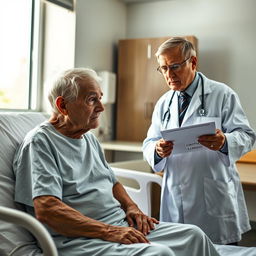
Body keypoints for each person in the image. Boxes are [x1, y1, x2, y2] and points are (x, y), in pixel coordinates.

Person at [13, 68, 220, 256]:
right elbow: (47, 209)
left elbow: (112, 182)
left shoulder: (89, 139)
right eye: (92, 100)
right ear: (62, 105)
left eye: (100, 98)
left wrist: (132, 207)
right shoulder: (40, 143)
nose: (101, 108)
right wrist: (109, 231)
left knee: (194, 235)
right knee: (159, 254)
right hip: (78, 239)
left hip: (118, 225)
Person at [142, 37, 256, 245]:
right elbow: (149, 142)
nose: (169, 75)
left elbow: (247, 136)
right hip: (176, 196)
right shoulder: (163, 103)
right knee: (181, 248)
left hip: (213, 198)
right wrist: (157, 149)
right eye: (163, 68)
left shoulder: (222, 94)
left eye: (175, 66)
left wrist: (224, 142)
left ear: (192, 63)